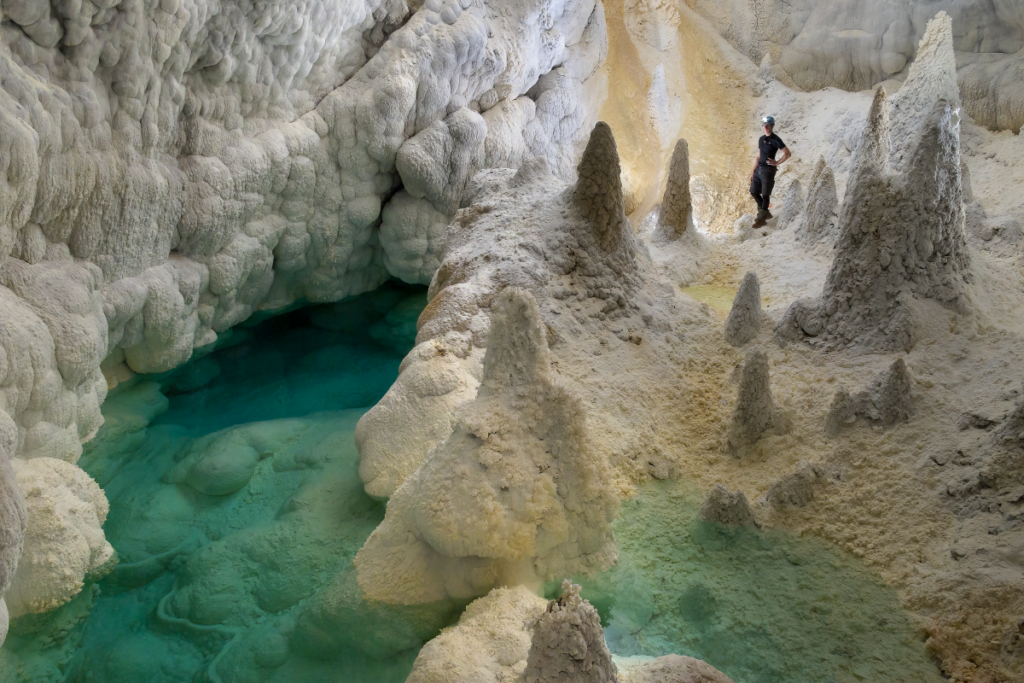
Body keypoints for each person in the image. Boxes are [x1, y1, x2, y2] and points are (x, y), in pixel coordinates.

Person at [749, 115, 791, 227]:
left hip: (768, 170)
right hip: (759, 169)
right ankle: (765, 212)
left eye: (768, 125)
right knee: (753, 191)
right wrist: (753, 170)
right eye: (764, 125)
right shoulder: (761, 139)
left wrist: (776, 162)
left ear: (772, 126)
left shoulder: (776, 139)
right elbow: (758, 156)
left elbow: (787, 153)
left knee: (765, 194)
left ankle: (761, 219)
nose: (765, 127)